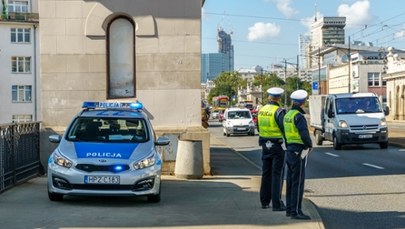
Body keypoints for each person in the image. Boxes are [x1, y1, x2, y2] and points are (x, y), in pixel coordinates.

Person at [283, 89, 313, 220]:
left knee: (290, 181)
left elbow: (285, 133)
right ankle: (296, 211)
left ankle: (290, 209)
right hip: (298, 150)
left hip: (289, 149)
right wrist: (308, 146)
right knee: (298, 182)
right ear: (303, 102)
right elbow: (304, 135)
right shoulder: (298, 116)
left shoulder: (288, 115)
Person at [257, 87, 286, 211]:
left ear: (269, 96)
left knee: (266, 173)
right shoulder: (279, 111)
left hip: (265, 144)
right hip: (277, 145)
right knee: (277, 174)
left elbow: (258, 128)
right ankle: (276, 203)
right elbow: (284, 128)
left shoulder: (261, 110)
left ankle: (264, 201)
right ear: (278, 97)